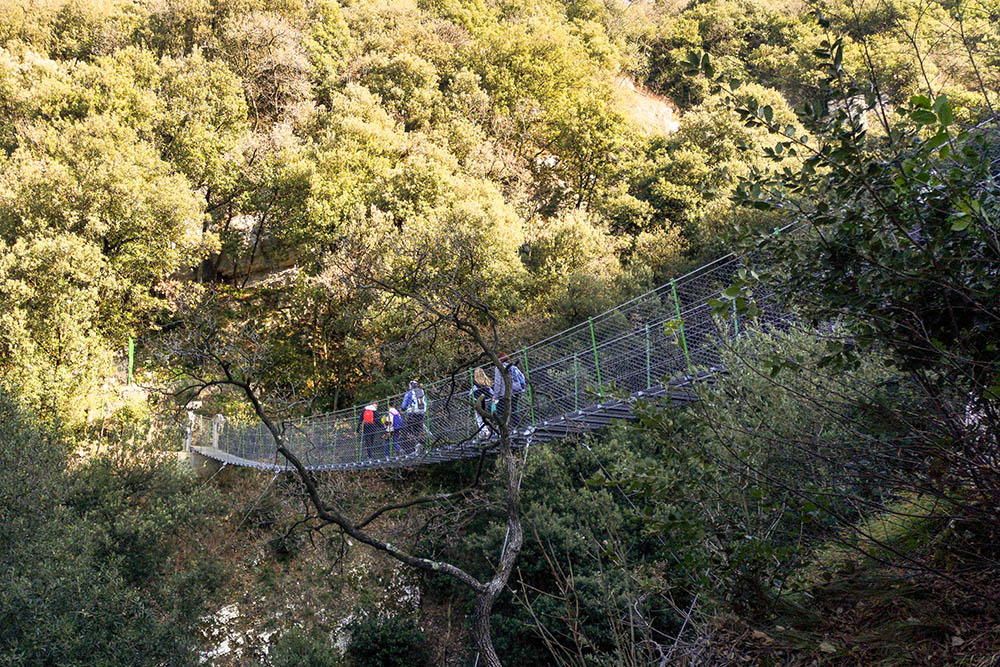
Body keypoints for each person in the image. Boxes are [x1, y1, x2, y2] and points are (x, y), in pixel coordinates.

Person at [492, 353, 527, 429]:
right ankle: (518, 427)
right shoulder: (512, 367)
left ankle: (502, 430)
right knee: (513, 410)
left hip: (504, 394)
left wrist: (495, 397)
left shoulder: (499, 367)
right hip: (515, 392)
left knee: (499, 412)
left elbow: (498, 383)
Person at [401, 380, 427, 452]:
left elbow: (403, 406)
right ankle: (423, 445)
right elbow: (425, 402)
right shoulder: (422, 392)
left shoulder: (409, 394)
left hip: (412, 415)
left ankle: (417, 444)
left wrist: (403, 409)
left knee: (409, 431)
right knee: (419, 430)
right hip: (421, 414)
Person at [470, 367, 494, 439]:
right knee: (488, 418)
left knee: (479, 419)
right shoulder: (487, 383)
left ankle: (485, 433)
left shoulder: (474, 384)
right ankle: (490, 431)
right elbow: (492, 393)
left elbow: (471, 394)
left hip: (479, 403)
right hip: (489, 402)